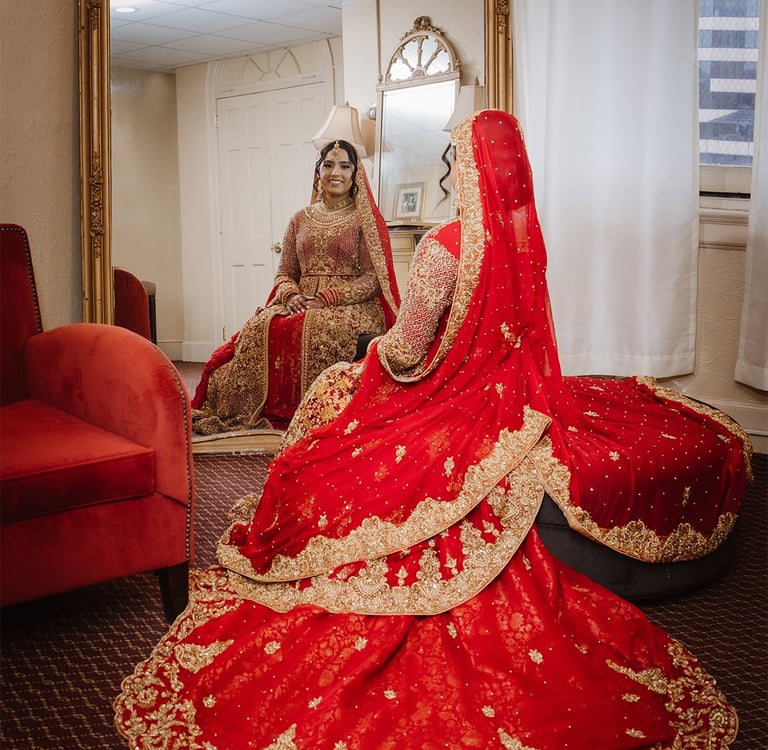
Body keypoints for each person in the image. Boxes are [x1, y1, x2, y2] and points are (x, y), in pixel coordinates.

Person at [115, 111, 748, 748]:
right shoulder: (524, 234)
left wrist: (366, 362)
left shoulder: (445, 247)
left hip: (457, 398)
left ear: (467, 168)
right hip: (521, 394)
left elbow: (408, 348)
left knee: (325, 429)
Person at [191, 139, 400, 433]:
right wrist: (290, 295)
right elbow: (285, 272)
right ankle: (255, 409)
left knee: (317, 328)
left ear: (355, 174)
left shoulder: (365, 220)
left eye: (344, 166)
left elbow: (374, 279)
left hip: (350, 305)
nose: (335, 173)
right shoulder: (299, 219)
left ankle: (314, 412)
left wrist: (327, 298)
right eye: (328, 165)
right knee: (261, 326)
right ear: (318, 171)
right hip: (300, 299)